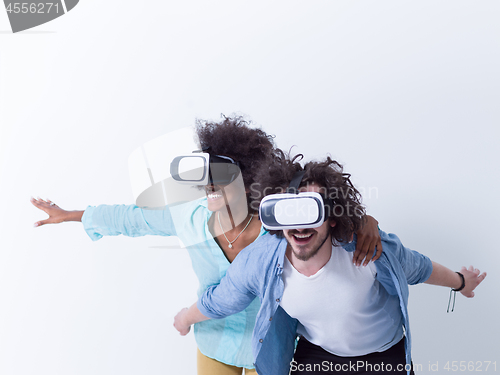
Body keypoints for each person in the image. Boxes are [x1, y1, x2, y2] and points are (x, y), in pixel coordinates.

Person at [31, 117, 383, 375]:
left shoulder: (280, 223)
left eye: (221, 177)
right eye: (206, 174)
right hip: (214, 340)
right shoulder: (189, 216)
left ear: (249, 182)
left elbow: (328, 221)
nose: (208, 185)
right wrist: (70, 215)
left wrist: (368, 222)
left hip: (276, 348)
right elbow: (131, 218)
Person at [173, 152, 487, 375]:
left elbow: (418, 267)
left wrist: (461, 281)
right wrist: (187, 317)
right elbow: (222, 300)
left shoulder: (370, 250)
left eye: (310, 211)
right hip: (317, 357)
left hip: (383, 356)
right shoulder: (261, 261)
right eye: (289, 213)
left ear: (334, 218)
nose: (299, 227)